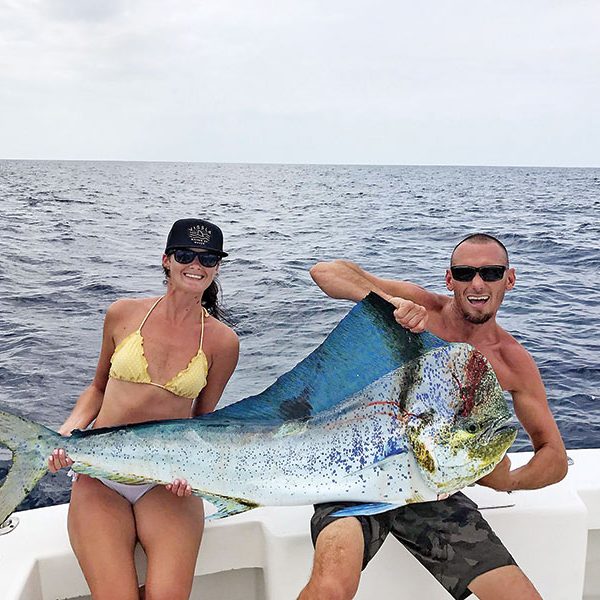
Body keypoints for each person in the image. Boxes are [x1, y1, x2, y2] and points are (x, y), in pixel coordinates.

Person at [299, 233, 568, 600]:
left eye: (490, 272)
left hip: (435, 496)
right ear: (449, 279)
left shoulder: (511, 361)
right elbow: (326, 271)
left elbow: (553, 456)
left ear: (510, 278)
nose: (477, 284)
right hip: (362, 477)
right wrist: (387, 303)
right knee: (331, 587)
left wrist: (507, 480)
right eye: (464, 273)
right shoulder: (421, 308)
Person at [48, 218, 239, 600]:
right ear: (167, 259)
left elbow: (203, 420)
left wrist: (194, 471)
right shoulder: (123, 314)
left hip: (166, 482)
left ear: (217, 267)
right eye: (186, 254)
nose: (196, 265)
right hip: (101, 474)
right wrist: (69, 431)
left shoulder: (223, 342)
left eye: (208, 258)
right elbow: (98, 387)